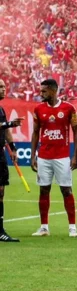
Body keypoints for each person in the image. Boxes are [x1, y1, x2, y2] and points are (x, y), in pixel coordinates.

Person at [30, 79, 77, 237]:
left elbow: (76, 131)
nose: (41, 93)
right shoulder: (38, 109)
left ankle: (72, 227)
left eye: (44, 91)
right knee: (44, 190)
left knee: (66, 190)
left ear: (53, 91)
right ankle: (44, 227)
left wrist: (75, 155)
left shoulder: (68, 108)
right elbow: (36, 132)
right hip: (44, 156)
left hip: (62, 157)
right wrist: (33, 156)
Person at [0, 79, 22, 242]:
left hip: (0, 153)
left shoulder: (1, 108)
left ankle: (0, 230)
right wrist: (9, 124)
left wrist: (13, 148)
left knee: (1, 192)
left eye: (3, 86)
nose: (3, 89)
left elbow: (5, 130)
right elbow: (4, 126)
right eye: (0, 86)